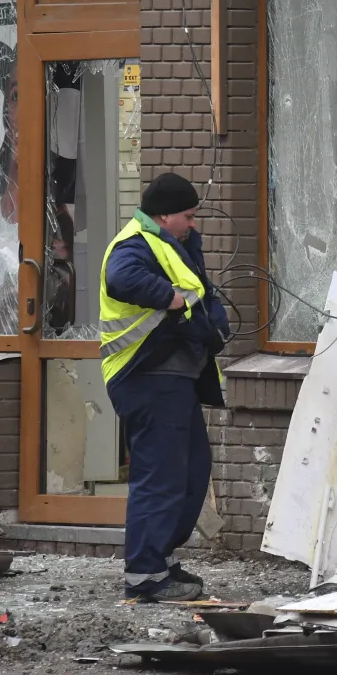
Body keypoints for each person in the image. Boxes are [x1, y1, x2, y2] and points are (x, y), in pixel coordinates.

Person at [99, 172, 229, 602]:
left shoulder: (173, 243)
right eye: (188, 216)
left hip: (174, 378)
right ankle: (145, 575)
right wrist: (169, 297)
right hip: (145, 375)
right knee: (161, 478)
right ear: (164, 215)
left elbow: (200, 294)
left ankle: (162, 559)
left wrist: (214, 323)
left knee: (190, 473)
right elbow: (122, 279)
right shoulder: (134, 244)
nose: (193, 223)